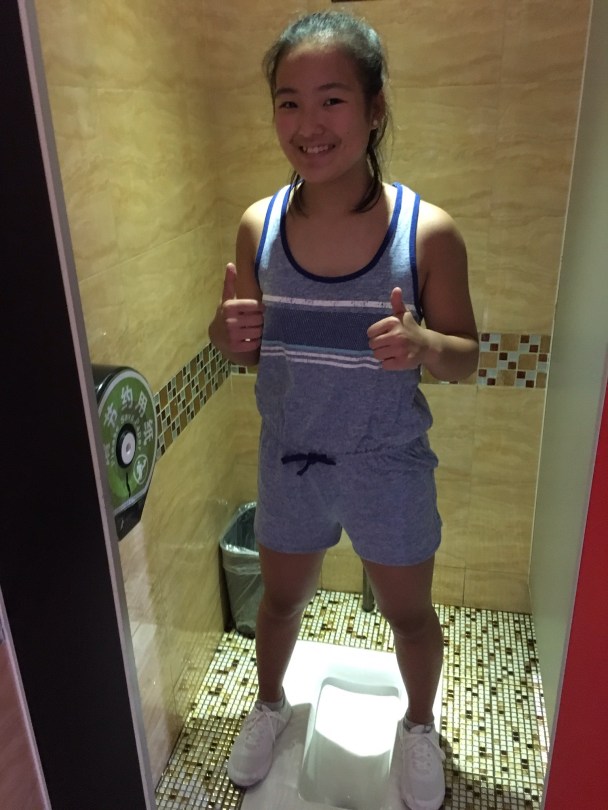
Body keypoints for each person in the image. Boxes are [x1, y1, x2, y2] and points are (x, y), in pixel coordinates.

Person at [208, 10, 478, 810]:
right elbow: (247, 351)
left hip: (386, 462)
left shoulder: (426, 233)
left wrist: (425, 343)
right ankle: (269, 704)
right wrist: (224, 337)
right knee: (281, 601)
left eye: (332, 99)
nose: (309, 124)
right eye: (288, 102)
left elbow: (466, 356)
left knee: (408, 614)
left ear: (375, 107)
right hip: (290, 458)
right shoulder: (258, 226)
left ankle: (419, 726)